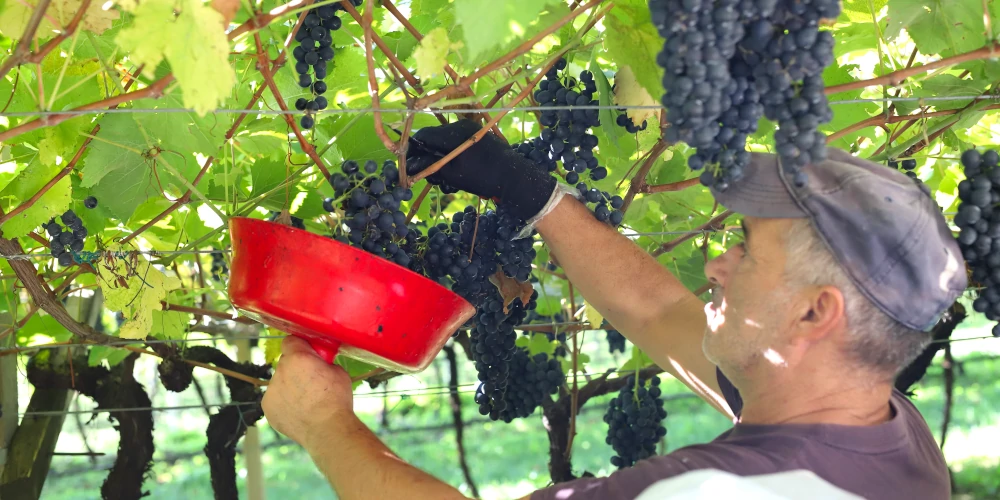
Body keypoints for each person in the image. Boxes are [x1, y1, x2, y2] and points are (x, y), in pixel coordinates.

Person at [262, 119, 965, 500]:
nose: (716, 265)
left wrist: (327, 430)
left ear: (817, 314)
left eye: (744, 249)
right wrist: (531, 195)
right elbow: (657, 311)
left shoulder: (729, 492)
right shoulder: (883, 432)